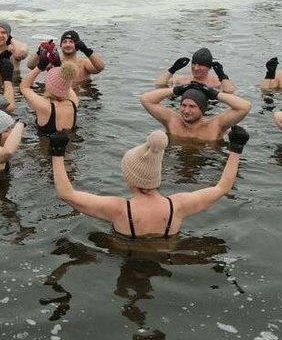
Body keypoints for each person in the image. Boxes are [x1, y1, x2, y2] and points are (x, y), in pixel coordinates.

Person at [49, 126, 249, 238]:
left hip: (128, 255)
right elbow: (222, 187)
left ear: (129, 177)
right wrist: (236, 149)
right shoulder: (178, 206)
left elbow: (66, 194)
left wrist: (57, 153)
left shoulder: (118, 209)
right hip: (167, 257)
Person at [139, 82, 251, 142]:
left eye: (192, 107)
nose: (186, 111)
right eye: (183, 105)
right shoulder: (172, 121)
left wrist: (215, 94)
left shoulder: (215, 126)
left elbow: (245, 107)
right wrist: (176, 90)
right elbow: (146, 99)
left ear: (202, 109)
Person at [19, 61, 79, 136]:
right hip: (69, 142)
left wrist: (40, 66)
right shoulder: (73, 102)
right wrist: (59, 68)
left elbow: (24, 87)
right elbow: (66, 84)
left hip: (46, 143)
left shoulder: (45, 106)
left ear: (47, 85)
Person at [26, 30, 105, 82]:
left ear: (78, 45)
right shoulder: (54, 62)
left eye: (71, 42)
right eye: (64, 42)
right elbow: (31, 66)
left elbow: (100, 67)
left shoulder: (84, 63)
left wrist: (86, 50)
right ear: (60, 45)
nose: (67, 45)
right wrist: (39, 51)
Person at [155, 47, 237, 94]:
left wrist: (222, 76)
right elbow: (159, 85)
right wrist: (173, 69)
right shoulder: (181, 80)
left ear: (209, 67)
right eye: (194, 63)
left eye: (201, 65)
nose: (196, 68)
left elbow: (231, 93)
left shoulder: (217, 84)